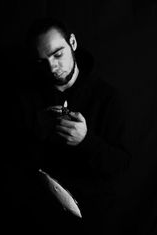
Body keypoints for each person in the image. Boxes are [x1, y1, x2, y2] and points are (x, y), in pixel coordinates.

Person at [7, 17, 131, 234]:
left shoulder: (106, 97)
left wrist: (86, 141)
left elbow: (121, 164)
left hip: (93, 220)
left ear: (72, 43)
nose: (52, 67)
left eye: (58, 54)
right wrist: (36, 130)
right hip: (40, 218)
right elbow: (10, 165)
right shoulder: (25, 98)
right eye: (42, 61)